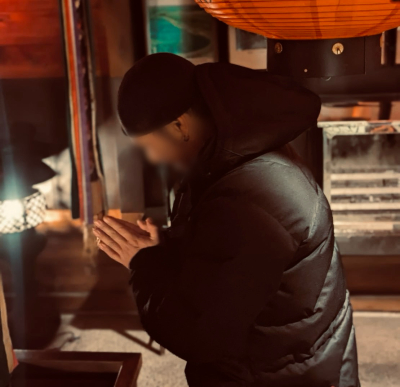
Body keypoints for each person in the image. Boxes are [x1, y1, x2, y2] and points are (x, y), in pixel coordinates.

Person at [93, 53, 359, 387]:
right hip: (289, 358)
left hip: (277, 375)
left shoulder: (252, 199)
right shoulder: (236, 152)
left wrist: (143, 263)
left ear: (179, 125)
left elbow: (197, 334)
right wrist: (166, 246)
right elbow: (222, 257)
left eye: (148, 146)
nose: (151, 157)